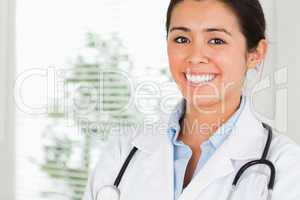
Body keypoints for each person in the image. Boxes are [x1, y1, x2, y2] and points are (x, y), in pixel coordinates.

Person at [83, 0, 300, 199]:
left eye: (216, 40)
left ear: (255, 54)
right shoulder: (124, 150)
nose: (195, 56)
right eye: (181, 39)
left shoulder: (287, 166)